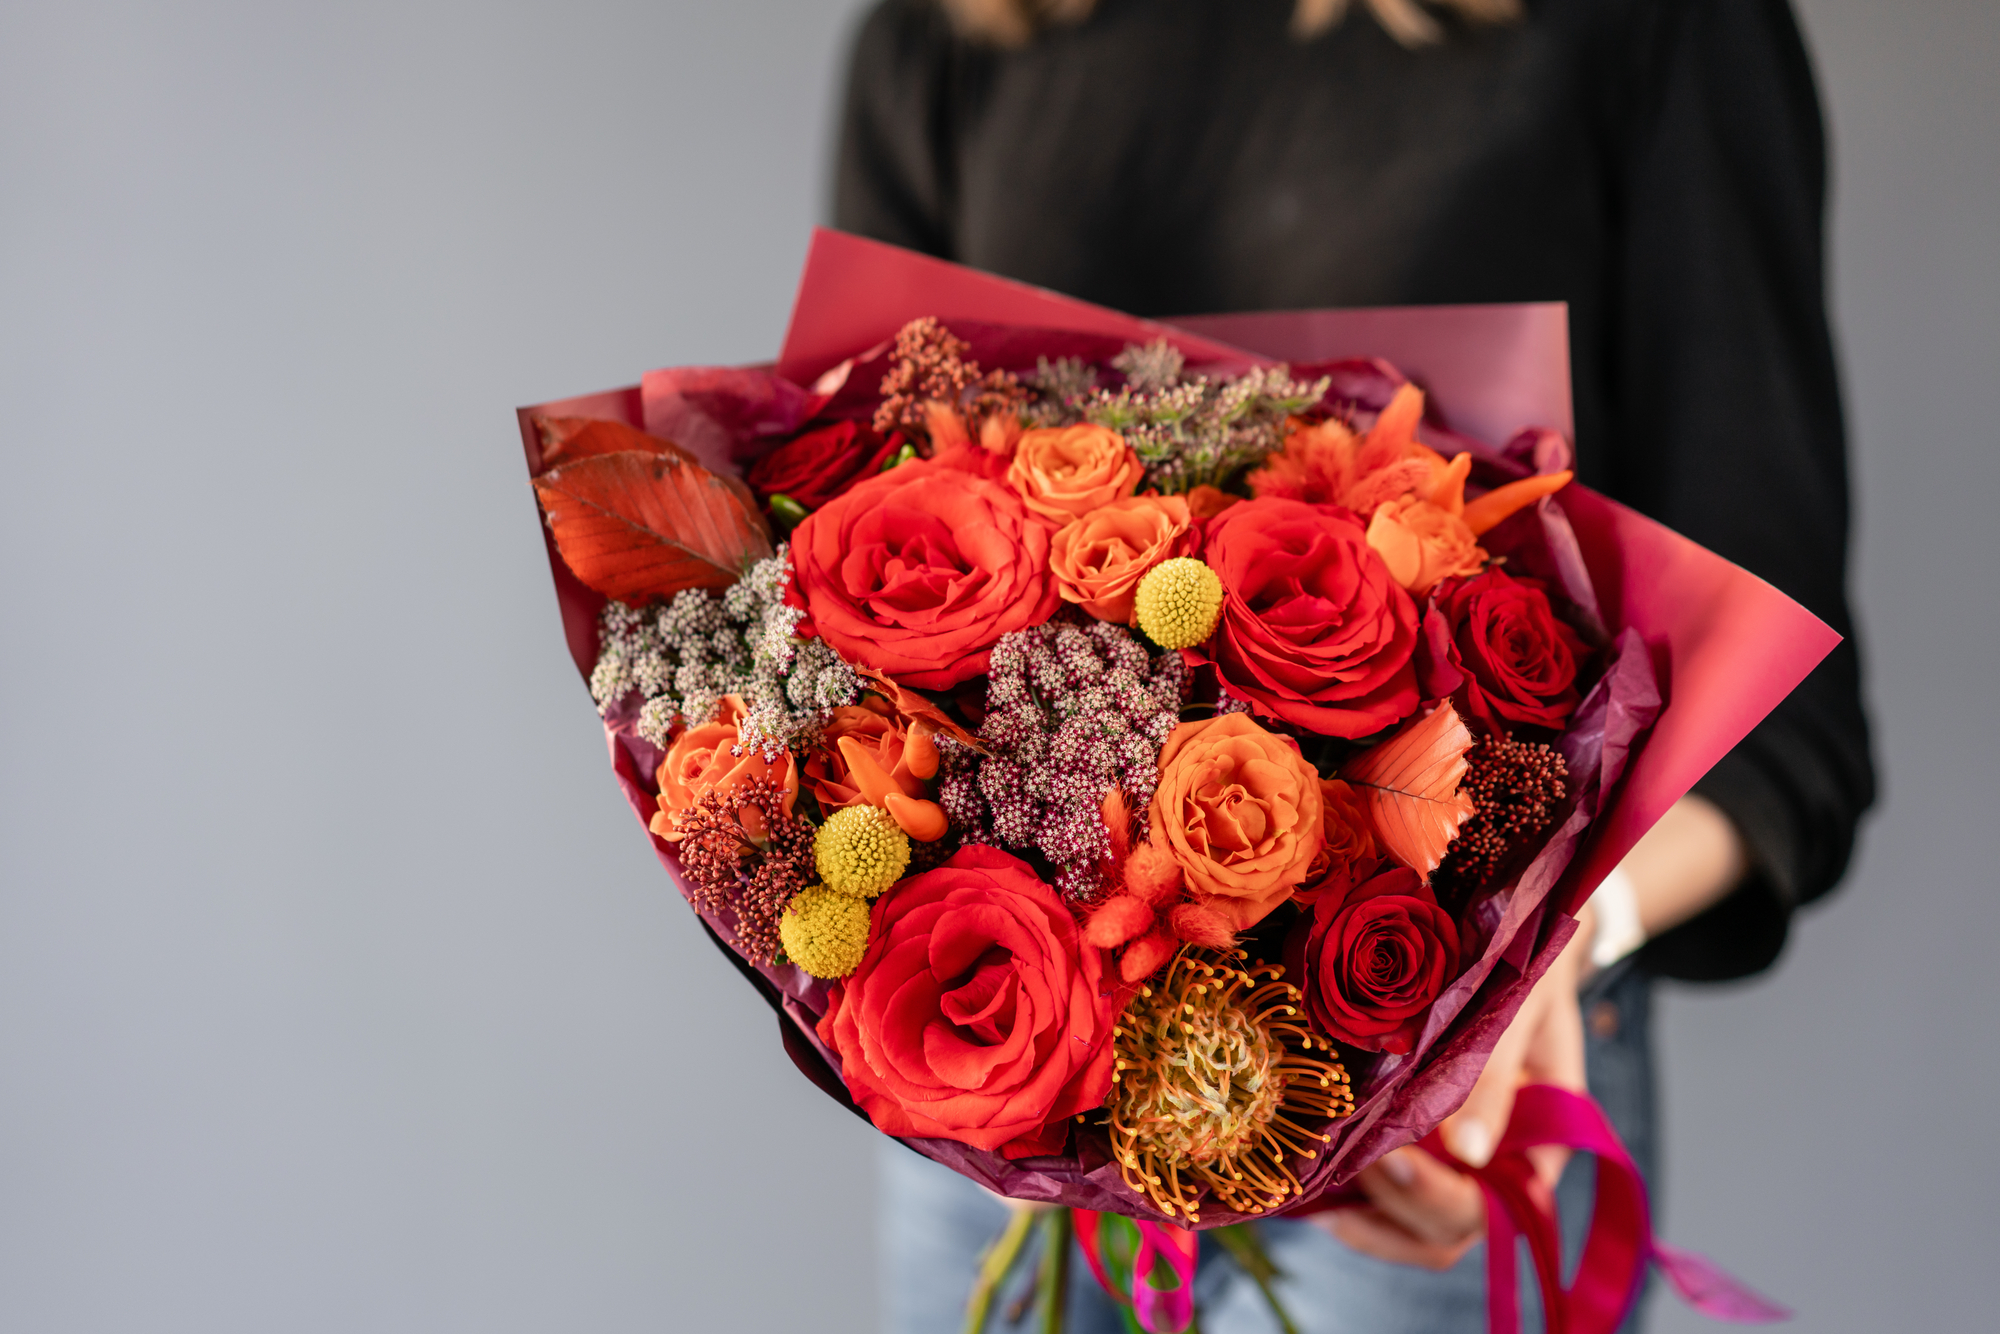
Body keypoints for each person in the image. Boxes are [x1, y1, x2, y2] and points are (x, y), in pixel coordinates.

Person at [832, 0, 1875, 1328]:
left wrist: (1547, 952)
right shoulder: (950, 35)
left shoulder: (1660, 30)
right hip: (1007, 1121)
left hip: (1444, 1088)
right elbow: (848, 552)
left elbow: (1787, 714)